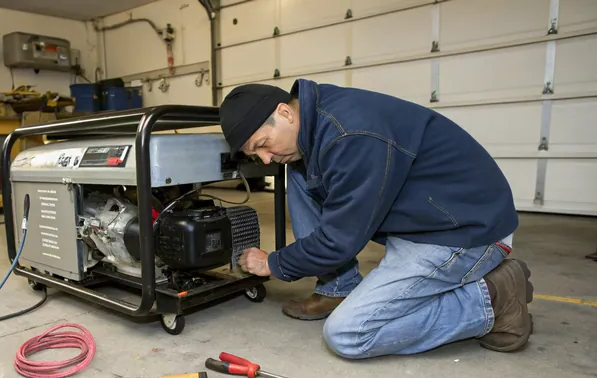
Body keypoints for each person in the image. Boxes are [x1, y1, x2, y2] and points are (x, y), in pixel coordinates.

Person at [219, 79, 534, 359]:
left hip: (466, 233)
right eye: (254, 155)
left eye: (262, 145)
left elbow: (338, 240)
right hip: (428, 220)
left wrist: (273, 263)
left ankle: (493, 298)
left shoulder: (351, 134)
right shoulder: (319, 120)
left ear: (285, 113)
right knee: (300, 175)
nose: (265, 159)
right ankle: (337, 287)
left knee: (349, 335)